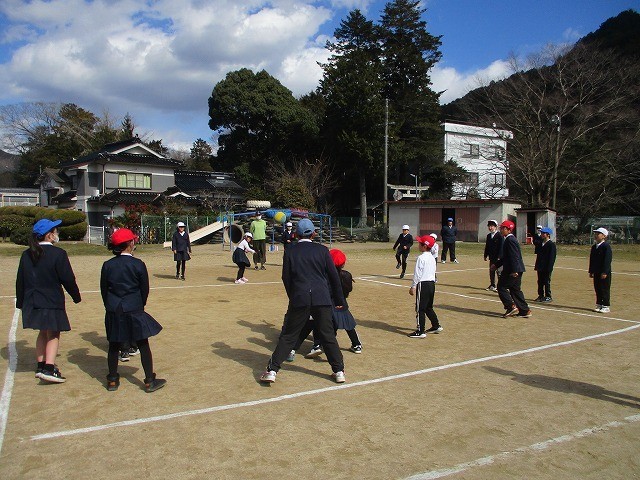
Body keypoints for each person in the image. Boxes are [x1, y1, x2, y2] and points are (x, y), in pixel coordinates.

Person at [260, 218, 346, 384]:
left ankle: (272, 370)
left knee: (289, 336)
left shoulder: (291, 251)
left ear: (296, 234)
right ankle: (339, 371)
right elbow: (334, 277)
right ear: (313, 233)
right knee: (328, 335)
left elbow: (286, 277)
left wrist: (293, 296)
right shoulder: (322, 250)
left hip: (300, 297)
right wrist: (339, 299)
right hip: (321, 298)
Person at [16, 219, 82, 383]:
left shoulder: (27, 254)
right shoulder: (58, 254)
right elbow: (67, 278)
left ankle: (40, 365)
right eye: (55, 231)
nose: (57, 233)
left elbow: (20, 280)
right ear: (49, 235)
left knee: (42, 331)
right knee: (53, 333)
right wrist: (76, 296)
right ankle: (49, 368)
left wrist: (21, 302)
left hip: (33, 300)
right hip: (51, 300)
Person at [100, 228, 166, 392]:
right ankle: (149, 380)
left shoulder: (108, 265)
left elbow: (104, 290)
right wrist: (139, 304)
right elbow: (144, 289)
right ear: (129, 244)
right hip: (134, 307)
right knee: (143, 343)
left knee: (114, 344)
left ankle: (112, 379)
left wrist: (110, 306)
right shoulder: (138, 264)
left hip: (114, 308)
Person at [289, 248, 363, 360]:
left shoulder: (324, 276)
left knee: (317, 323)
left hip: (326, 304)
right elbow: (348, 290)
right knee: (349, 325)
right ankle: (356, 344)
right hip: (342, 304)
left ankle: (316, 345)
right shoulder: (346, 275)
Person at [491, 220, 531, 318]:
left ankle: (510, 306)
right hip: (516, 268)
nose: (501, 229)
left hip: (512, 269)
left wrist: (514, 270)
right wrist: (496, 265)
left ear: (508, 229)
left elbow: (514, 256)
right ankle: (524, 311)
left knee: (501, 287)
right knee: (515, 290)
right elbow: (506, 257)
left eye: (503, 228)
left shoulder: (510, 240)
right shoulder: (508, 239)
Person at [408, 235, 442, 338]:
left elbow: (417, 274)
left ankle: (420, 331)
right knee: (428, 307)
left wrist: (413, 286)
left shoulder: (421, 258)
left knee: (420, 308)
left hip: (423, 284)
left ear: (424, 246)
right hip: (431, 284)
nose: (418, 245)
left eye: (420, 243)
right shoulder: (432, 258)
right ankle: (436, 325)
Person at [589, 227, 612, 313]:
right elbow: (592, 260)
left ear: (604, 236)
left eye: (598, 234)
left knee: (604, 288)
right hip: (596, 271)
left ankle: (606, 305)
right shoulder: (594, 247)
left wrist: (605, 271)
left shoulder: (606, 246)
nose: (596, 235)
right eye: (595, 234)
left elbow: (607, 260)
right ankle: (599, 304)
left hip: (604, 272)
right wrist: (591, 271)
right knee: (597, 287)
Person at [534, 227, 557, 302]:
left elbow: (552, 258)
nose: (542, 234)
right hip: (540, 266)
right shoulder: (540, 243)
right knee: (540, 281)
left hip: (547, 267)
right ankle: (540, 295)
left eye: (543, 233)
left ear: (548, 235)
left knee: (546, 281)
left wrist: (549, 267)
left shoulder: (551, 245)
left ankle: (548, 296)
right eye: (541, 233)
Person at [483, 219, 504, 291]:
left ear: (496, 227)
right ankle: (492, 285)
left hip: (498, 258)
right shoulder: (489, 236)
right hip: (492, 257)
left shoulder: (500, 235)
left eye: (492, 226)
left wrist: (499, 256)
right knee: (491, 271)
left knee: (499, 272)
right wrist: (485, 255)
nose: (490, 228)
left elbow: (501, 247)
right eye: (489, 226)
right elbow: (487, 246)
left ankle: (501, 286)